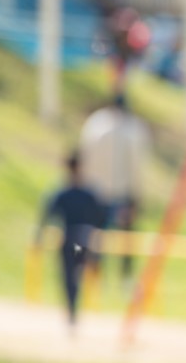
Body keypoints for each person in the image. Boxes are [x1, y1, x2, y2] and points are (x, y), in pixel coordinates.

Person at [78, 93, 149, 288]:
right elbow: (136, 166)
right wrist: (137, 195)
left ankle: (93, 277)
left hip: (94, 191)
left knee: (94, 236)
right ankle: (125, 278)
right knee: (126, 238)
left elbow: (84, 156)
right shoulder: (131, 128)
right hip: (120, 193)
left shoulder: (95, 124)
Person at [34, 153, 108, 331]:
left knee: (69, 277)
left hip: (70, 241)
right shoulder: (89, 193)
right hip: (84, 240)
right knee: (77, 275)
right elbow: (101, 218)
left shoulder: (63, 193)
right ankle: (73, 311)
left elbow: (47, 215)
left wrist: (39, 237)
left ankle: (72, 311)